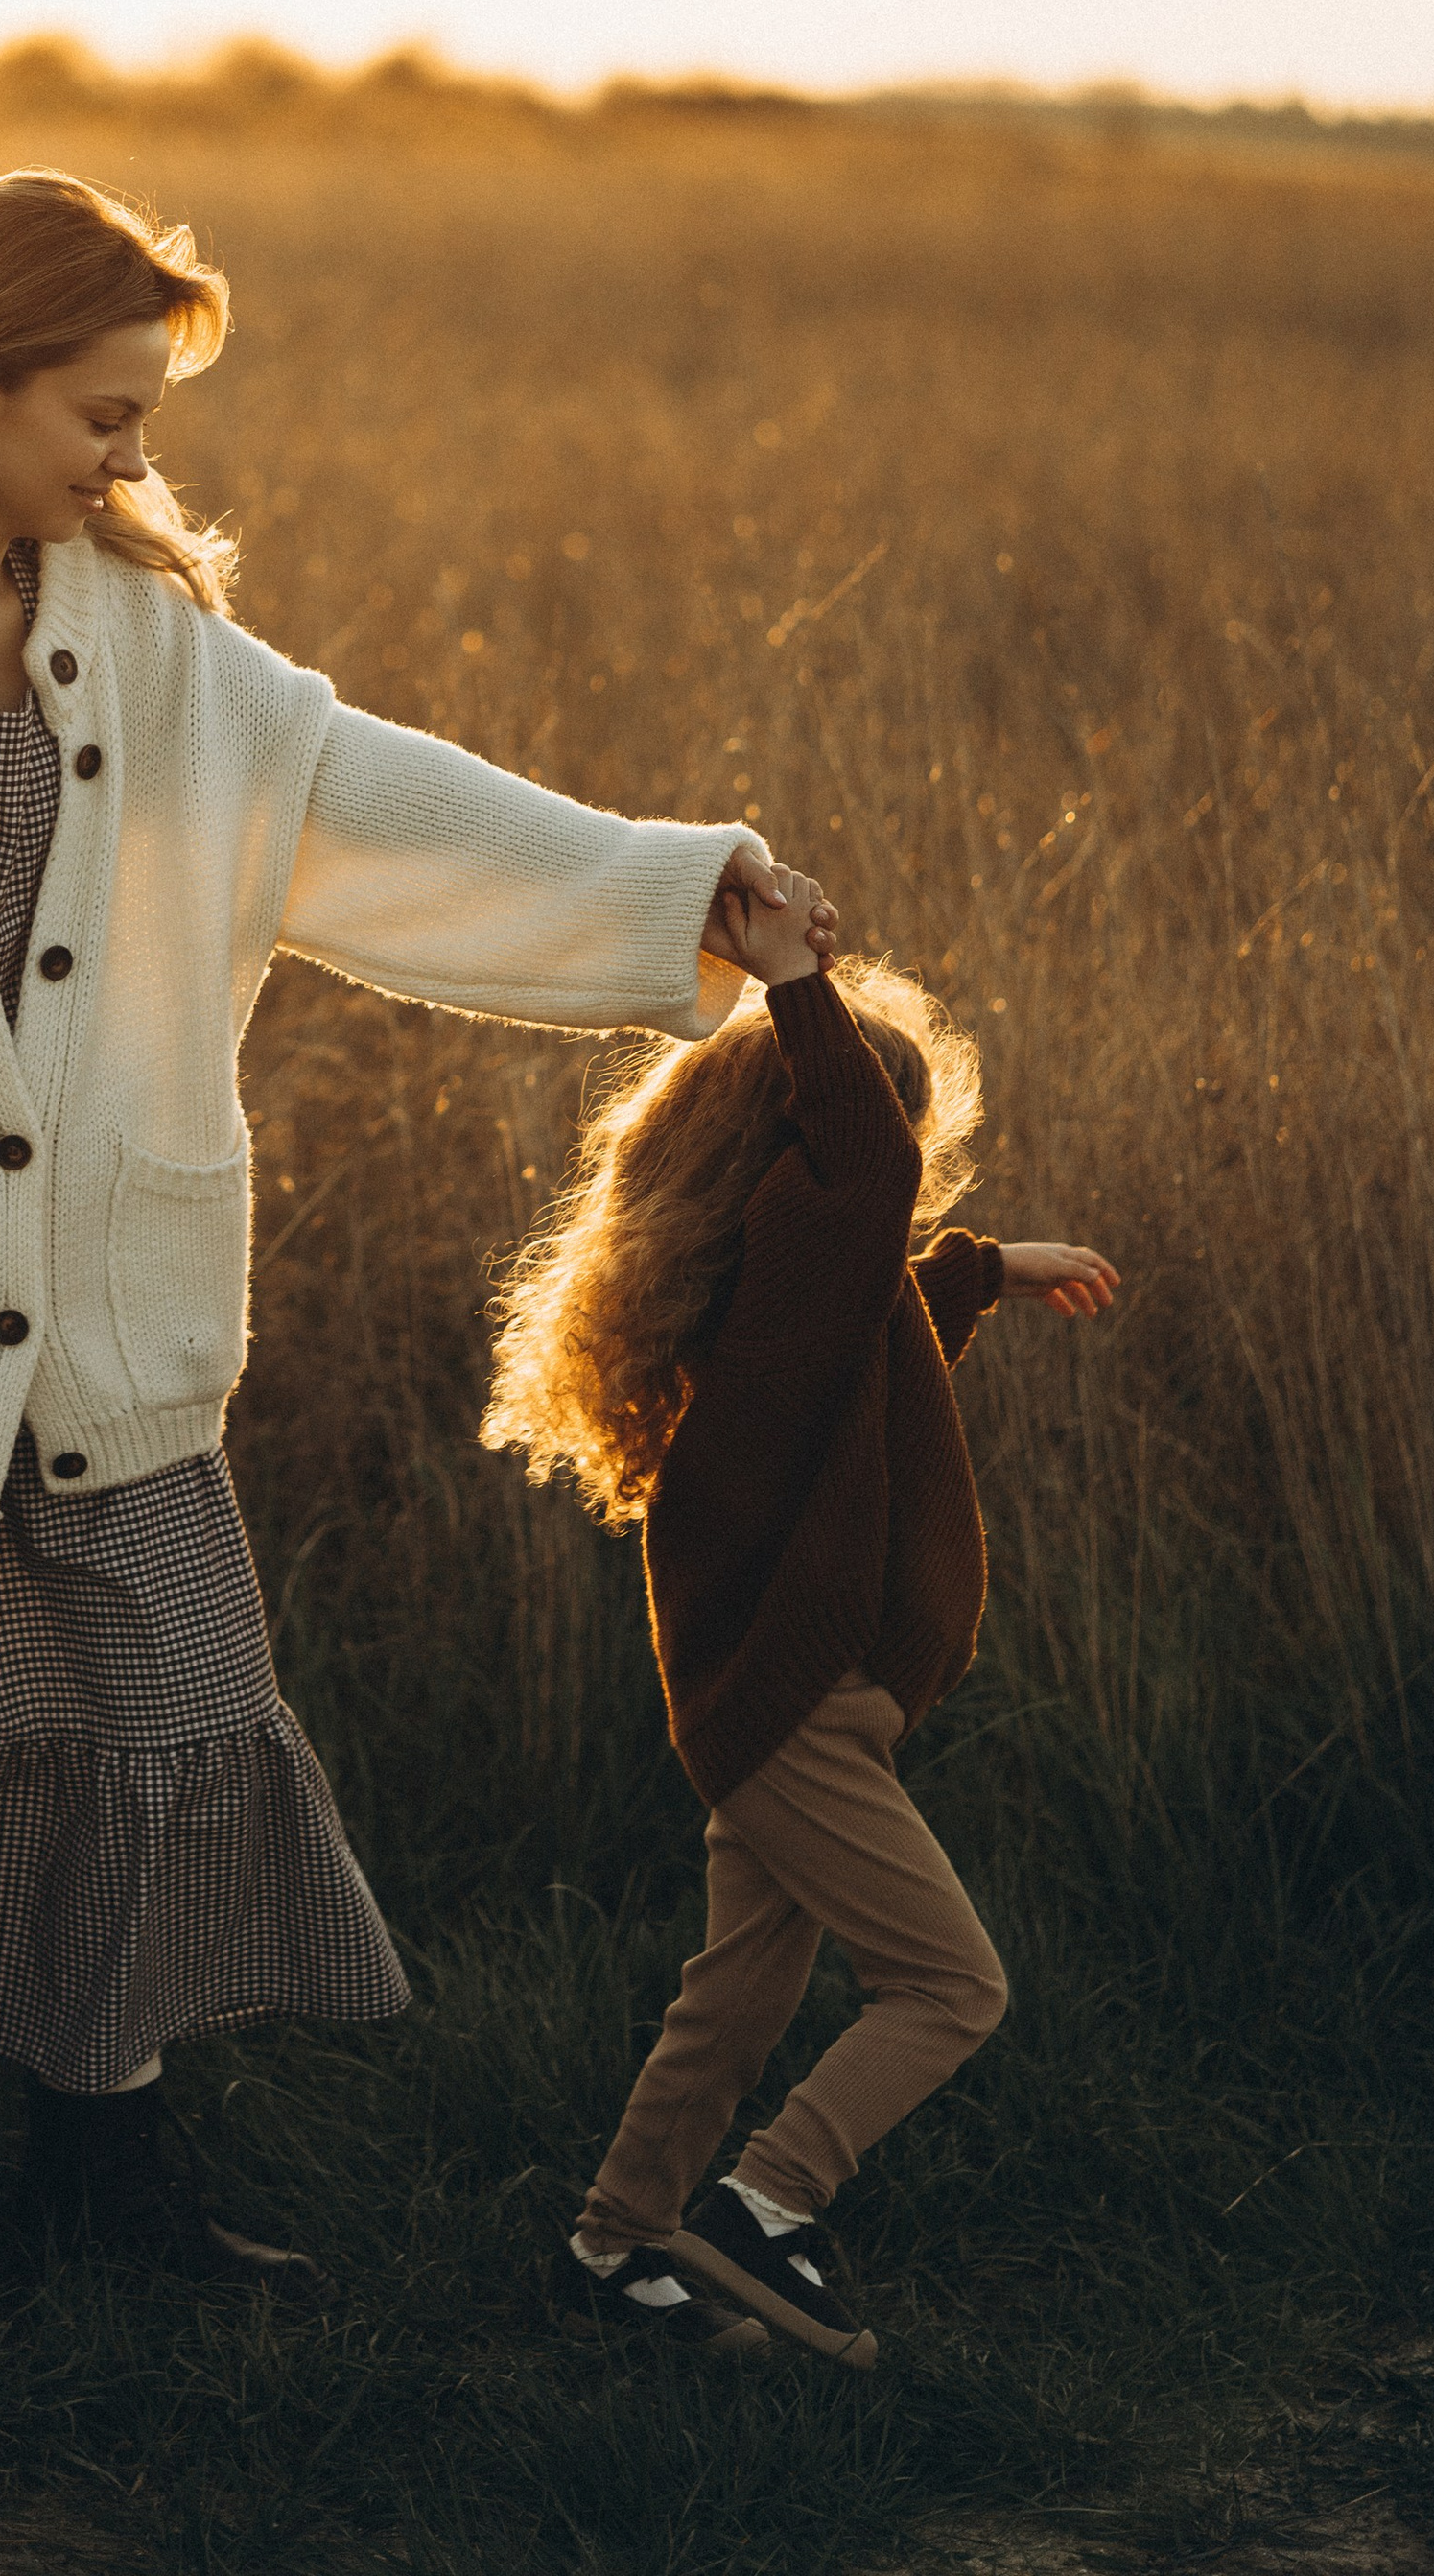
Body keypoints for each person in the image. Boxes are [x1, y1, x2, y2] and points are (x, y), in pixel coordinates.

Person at [0, 166, 836, 2281]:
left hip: (104, 1353)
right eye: (101, 410)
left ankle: (111, 2192)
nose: (134, 455)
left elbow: (380, 803)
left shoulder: (149, 647)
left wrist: (677, 893)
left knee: (139, 1741)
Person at [482, 855, 1118, 2364]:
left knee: (738, 1993)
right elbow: (858, 1198)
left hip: (771, 1700)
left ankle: (607, 2245)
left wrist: (983, 1273)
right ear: (831, 1145)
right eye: (888, 1140)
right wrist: (793, 986)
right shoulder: (818, 1222)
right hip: (799, 1710)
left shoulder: (781, 1292)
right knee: (951, 1984)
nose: (898, 1164)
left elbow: (869, 1329)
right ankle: (768, 2204)